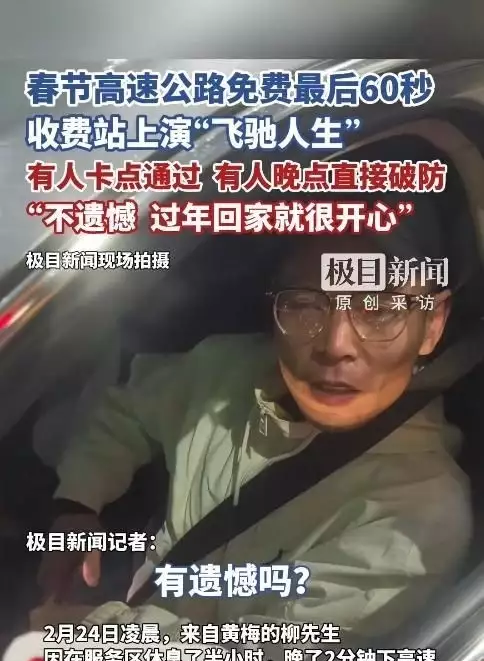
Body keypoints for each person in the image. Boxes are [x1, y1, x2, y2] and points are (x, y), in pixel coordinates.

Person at [38, 214, 472, 638]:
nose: (335, 345)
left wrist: (88, 631)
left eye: (379, 308)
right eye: (305, 304)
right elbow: (128, 409)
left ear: (432, 324)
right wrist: (78, 503)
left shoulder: (419, 517)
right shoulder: (228, 371)